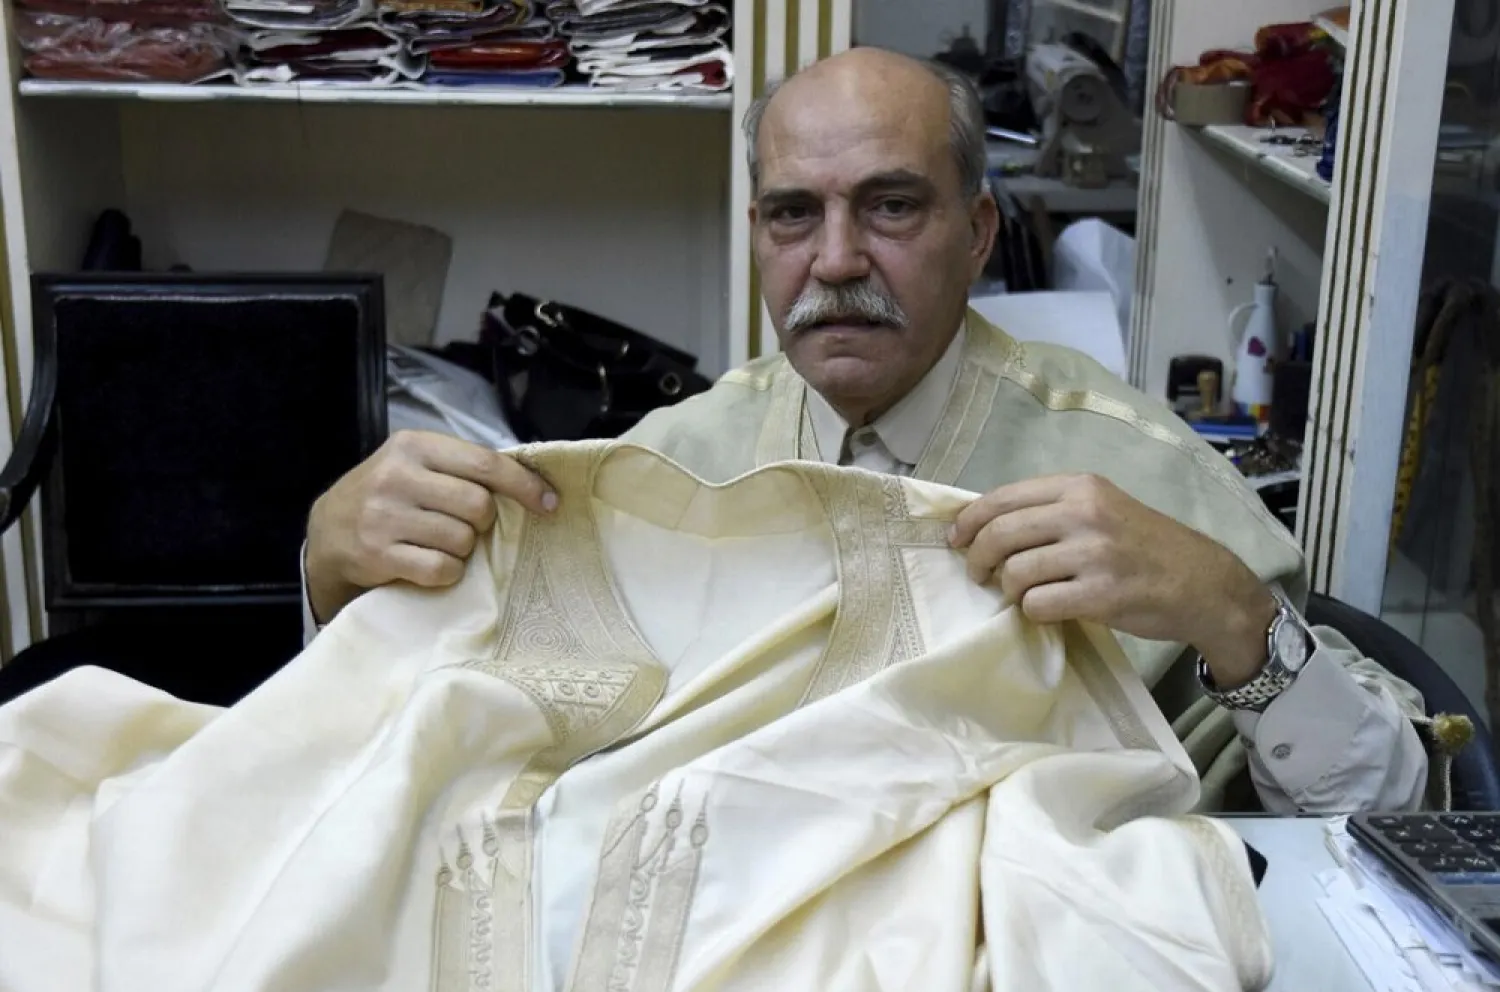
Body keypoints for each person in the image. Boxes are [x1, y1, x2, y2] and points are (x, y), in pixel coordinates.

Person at [304, 47, 1428, 814]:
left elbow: (1388, 804)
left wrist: (1229, 611)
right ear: (757, 233)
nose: (835, 260)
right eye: (796, 213)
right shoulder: (671, 464)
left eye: (891, 206)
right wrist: (333, 587)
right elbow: (436, 752)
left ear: (979, 229)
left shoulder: (1136, 476)